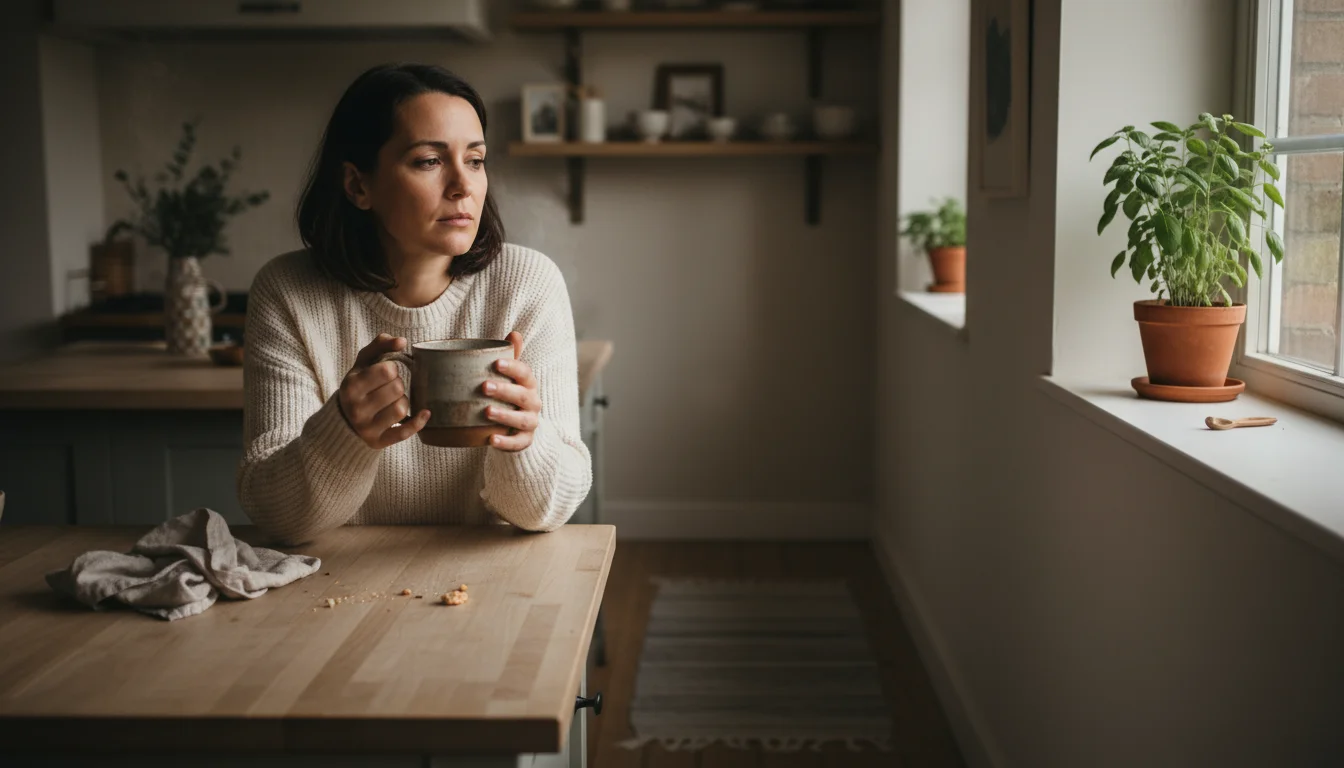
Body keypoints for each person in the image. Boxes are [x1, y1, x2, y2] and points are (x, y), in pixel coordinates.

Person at [237, 63, 591, 545]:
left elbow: (548, 513)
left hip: (493, 583)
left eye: (476, 159)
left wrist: (524, 441)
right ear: (358, 186)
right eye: (429, 161)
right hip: (334, 587)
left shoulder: (527, 284)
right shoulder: (287, 292)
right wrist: (343, 430)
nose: (463, 186)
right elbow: (277, 516)